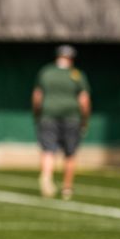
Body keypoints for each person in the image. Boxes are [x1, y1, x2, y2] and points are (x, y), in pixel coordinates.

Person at [33, 44, 91, 200]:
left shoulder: (46, 72)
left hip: (48, 115)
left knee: (48, 150)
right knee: (70, 154)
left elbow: (37, 96)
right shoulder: (76, 75)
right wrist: (85, 120)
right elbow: (84, 100)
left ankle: (46, 176)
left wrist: (37, 114)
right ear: (71, 58)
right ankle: (67, 188)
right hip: (72, 117)